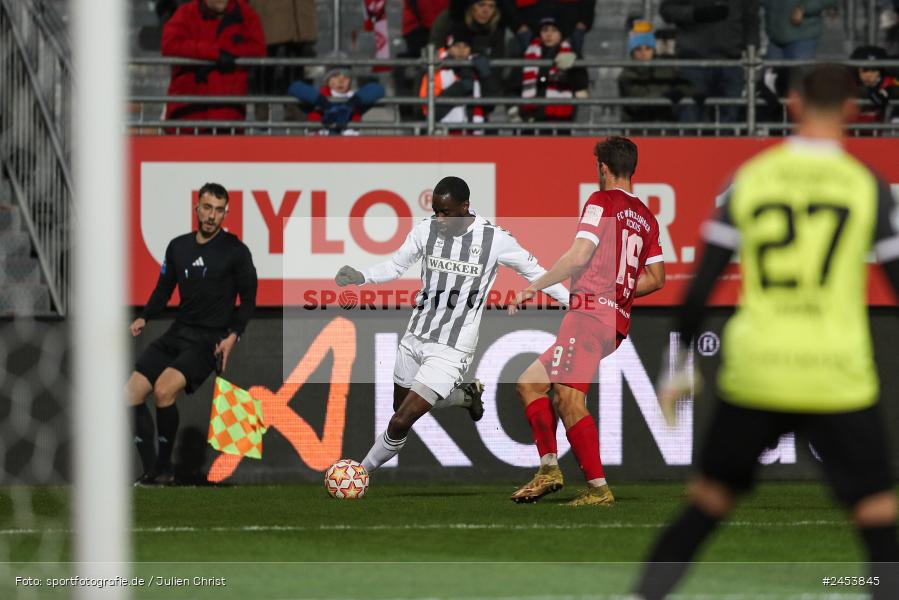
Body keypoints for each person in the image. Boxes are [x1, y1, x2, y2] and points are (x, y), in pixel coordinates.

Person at [632, 64, 899, 599]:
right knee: (876, 516)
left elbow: (700, 287)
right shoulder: (866, 184)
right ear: (852, 109)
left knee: (707, 502)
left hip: (759, 372)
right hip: (836, 375)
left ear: (793, 104)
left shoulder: (751, 178)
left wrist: (676, 367)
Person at [334, 176, 570, 476]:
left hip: (452, 348)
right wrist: (361, 276)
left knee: (400, 422)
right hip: (415, 336)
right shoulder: (425, 230)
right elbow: (395, 266)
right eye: (435, 211)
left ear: (465, 206)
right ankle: (466, 396)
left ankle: (359, 474)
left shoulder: (494, 239)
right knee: (399, 407)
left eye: (445, 212)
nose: (440, 219)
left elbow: (537, 273)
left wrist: (576, 303)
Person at [508, 137, 666, 506]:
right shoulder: (647, 218)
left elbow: (579, 256)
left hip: (588, 315)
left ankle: (598, 489)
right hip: (613, 322)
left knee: (568, 397)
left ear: (603, 168)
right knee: (530, 383)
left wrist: (535, 286)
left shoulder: (601, 201)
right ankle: (549, 468)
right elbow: (657, 279)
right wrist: (619, 293)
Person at [129, 183, 258, 485]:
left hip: (209, 340)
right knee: (130, 394)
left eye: (219, 210)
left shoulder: (236, 251)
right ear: (197, 208)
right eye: (207, 208)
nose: (212, 215)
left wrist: (233, 336)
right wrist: (145, 316)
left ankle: (164, 470)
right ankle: (152, 471)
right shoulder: (178, 247)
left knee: (163, 390)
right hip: (178, 333)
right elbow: (164, 289)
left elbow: (249, 299)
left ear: (226, 213)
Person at [161, 0, 266, 132]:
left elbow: (258, 49)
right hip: (188, 115)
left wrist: (227, 53)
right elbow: (169, 45)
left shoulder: (245, 14)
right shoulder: (185, 13)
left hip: (228, 116)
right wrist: (214, 54)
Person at [660, 0, 759, 125]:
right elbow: (667, 10)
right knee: (690, 117)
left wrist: (752, 48)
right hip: (693, 62)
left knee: (729, 120)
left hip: (731, 62)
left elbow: (751, 18)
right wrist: (696, 14)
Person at [249, 0, 318, 121]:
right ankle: (263, 109)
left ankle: (296, 108)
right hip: (269, 14)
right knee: (265, 62)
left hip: (302, 17)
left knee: (300, 65)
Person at [520, 15, 589, 133]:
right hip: (532, 119)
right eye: (544, 30)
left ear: (561, 34)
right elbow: (514, 84)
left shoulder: (572, 54)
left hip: (561, 120)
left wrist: (570, 69)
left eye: (554, 30)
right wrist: (515, 110)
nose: (549, 34)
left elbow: (581, 84)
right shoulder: (528, 54)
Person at [618, 22, 694, 123]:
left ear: (653, 51)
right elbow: (637, 104)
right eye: (638, 49)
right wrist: (666, 95)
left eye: (647, 49)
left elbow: (685, 87)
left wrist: (680, 92)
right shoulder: (627, 74)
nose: (643, 53)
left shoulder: (664, 69)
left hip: (664, 124)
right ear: (632, 52)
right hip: (638, 125)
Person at [419, 27, 490, 131]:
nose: (461, 50)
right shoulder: (436, 70)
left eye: (466, 46)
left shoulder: (477, 67)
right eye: (456, 46)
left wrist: (486, 78)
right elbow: (431, 112)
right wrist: (460, 88)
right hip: (444, 133)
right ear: (448, 48)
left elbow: (490, 107)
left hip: (474, 132)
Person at [287, 66, 386, 135]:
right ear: (327, 80)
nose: (341, 81)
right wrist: (326, 106)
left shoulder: (356, 98)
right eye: (335, 76)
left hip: (349, 146)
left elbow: (379, 89)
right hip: (318, 145)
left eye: (346, 77)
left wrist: (349, 106)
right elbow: (294, 87)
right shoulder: (315, 95)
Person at [762, 0, 837, 60]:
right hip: (774, 39)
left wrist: (804, 8)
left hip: (803, 37)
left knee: (799, 73)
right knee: (771, 72)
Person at [850, 45, 899, 132]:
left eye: (874, 69)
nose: (869, 75)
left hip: (876, 137)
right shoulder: (848, 85)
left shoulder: (889, 84)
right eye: (865, 70)